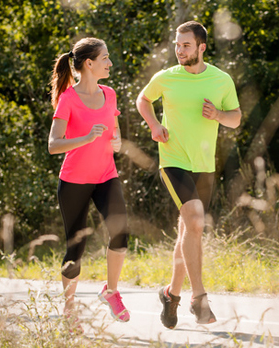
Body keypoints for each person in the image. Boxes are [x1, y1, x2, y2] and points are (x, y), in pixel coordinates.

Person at [136, 21, 241, 328]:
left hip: (204, 165)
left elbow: (235, 118)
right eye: (177, 45)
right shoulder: (165, 78)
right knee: (195, 219)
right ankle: (199, 299)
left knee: (188, 231)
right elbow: (143, 99)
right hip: (174, 159)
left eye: (185, 45)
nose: (179, 50)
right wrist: (155, 126)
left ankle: (171, 295)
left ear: (201, 47)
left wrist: (219, 115)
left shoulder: (221, 80)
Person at [48, 37, 130, 326]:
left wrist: (117, 140)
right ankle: (69, 310)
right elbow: (53, 144)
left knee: (121, 233)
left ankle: (111, 291)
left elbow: (114, 131)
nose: (109, 63)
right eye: (105, 58)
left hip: (106, 175)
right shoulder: (68, 98)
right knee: (76, 249)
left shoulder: (110, 93)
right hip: (74, 181)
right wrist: (85, 138)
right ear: (89, 63)